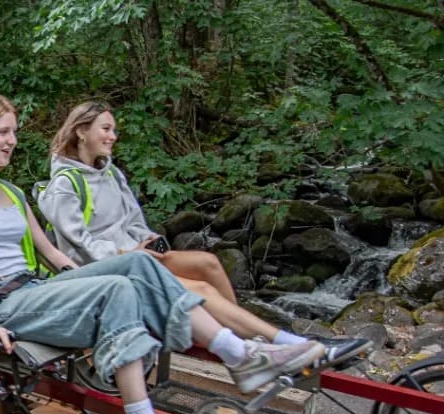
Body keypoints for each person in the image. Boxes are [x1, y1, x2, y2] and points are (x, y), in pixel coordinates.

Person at [0, 91, 325, 414]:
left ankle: (242, 355)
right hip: (3, 304)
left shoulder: (12, 193)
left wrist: (89, 273)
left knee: (138, 264)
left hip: (35, 289)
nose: (13, 140)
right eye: (3, 132)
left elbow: (53, 253)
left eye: (14, 131)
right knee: (118, 291)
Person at [39, 101, 371, 364]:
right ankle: (289, 345)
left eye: (114, 130)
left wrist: (150, 241)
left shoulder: (111, 175)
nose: (113, 136)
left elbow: (134, 219)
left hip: (139, 256)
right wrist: (127, 255)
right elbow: (77, 247)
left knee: (207, 263)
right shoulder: (63, 186)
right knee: (198, 288)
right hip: (104, 270)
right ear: (81, 131)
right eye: (106, 129)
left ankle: (247, 339)